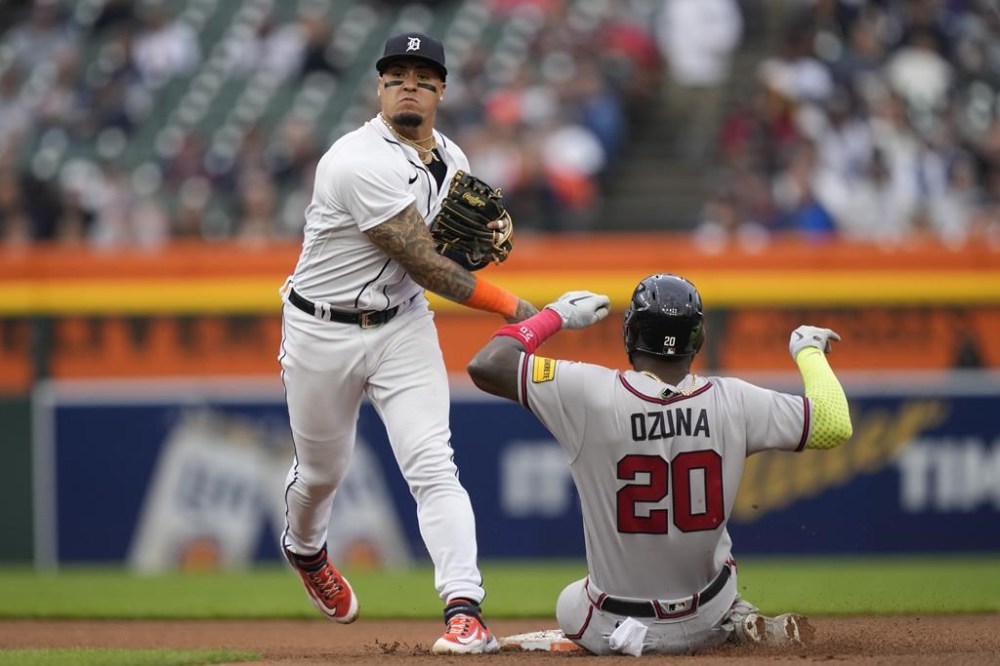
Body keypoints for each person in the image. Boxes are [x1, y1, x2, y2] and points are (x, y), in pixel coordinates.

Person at [278, 32, 536, 655]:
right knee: (321, 474)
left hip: (401, 325)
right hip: (321, 329)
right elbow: (428, 264)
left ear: (442, 89)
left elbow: (445, 255)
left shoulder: (454, 159)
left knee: (432, 464)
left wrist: (481, 246)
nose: (409, 84)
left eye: (423, 75)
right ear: (380, 88)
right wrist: (514, 304)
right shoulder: (353, 159)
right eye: (396, 75)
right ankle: (306, 550)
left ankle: (463, 610)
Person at [467, 274, 853, 656]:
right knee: (721, 565)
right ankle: (735, 617)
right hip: (707, 614)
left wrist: (555, 315)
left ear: (630, 335)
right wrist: (809, 351)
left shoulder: (587, 392)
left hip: (613, 623)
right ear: (698, 339)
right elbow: (834, 423)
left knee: (570, 601)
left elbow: (488, 363)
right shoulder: (735, 400)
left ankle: (702, 623)